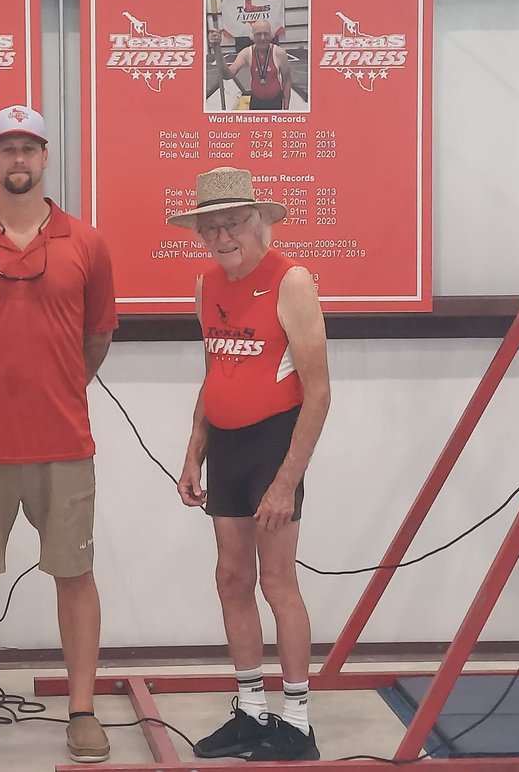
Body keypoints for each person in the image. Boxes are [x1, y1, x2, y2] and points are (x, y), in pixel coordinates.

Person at [0, 105, 117, 766]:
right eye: (7, 149)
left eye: (29, 149)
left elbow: (96, 341)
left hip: (65, 444)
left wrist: (53, 388)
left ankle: (83, 711)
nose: (19, 161)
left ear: (45, 157)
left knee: (76, 575)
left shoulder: (86, 243)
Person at [170, 166, 331, 762]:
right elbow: (218, 371)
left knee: (277, 583)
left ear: (259, 220)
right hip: (227, 448)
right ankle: (249, 709)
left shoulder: (291, 280)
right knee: (231, 579)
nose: (221, 237)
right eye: (209, 228)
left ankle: (297, 722)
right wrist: (193, 451)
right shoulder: (206, 285)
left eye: (233, 222)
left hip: (272, 447)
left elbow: (318, 391)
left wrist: (287, 481)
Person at [208, 19, 293, 110]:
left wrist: (286, 109)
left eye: (266, 34)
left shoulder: (279, 53)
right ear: (252, 36)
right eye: (258, 34)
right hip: (256, 102)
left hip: (275, 102)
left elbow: (287, 80)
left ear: (271, 35)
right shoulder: (247, 53)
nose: (262, 38)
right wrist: (216, 48)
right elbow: (227, 75)